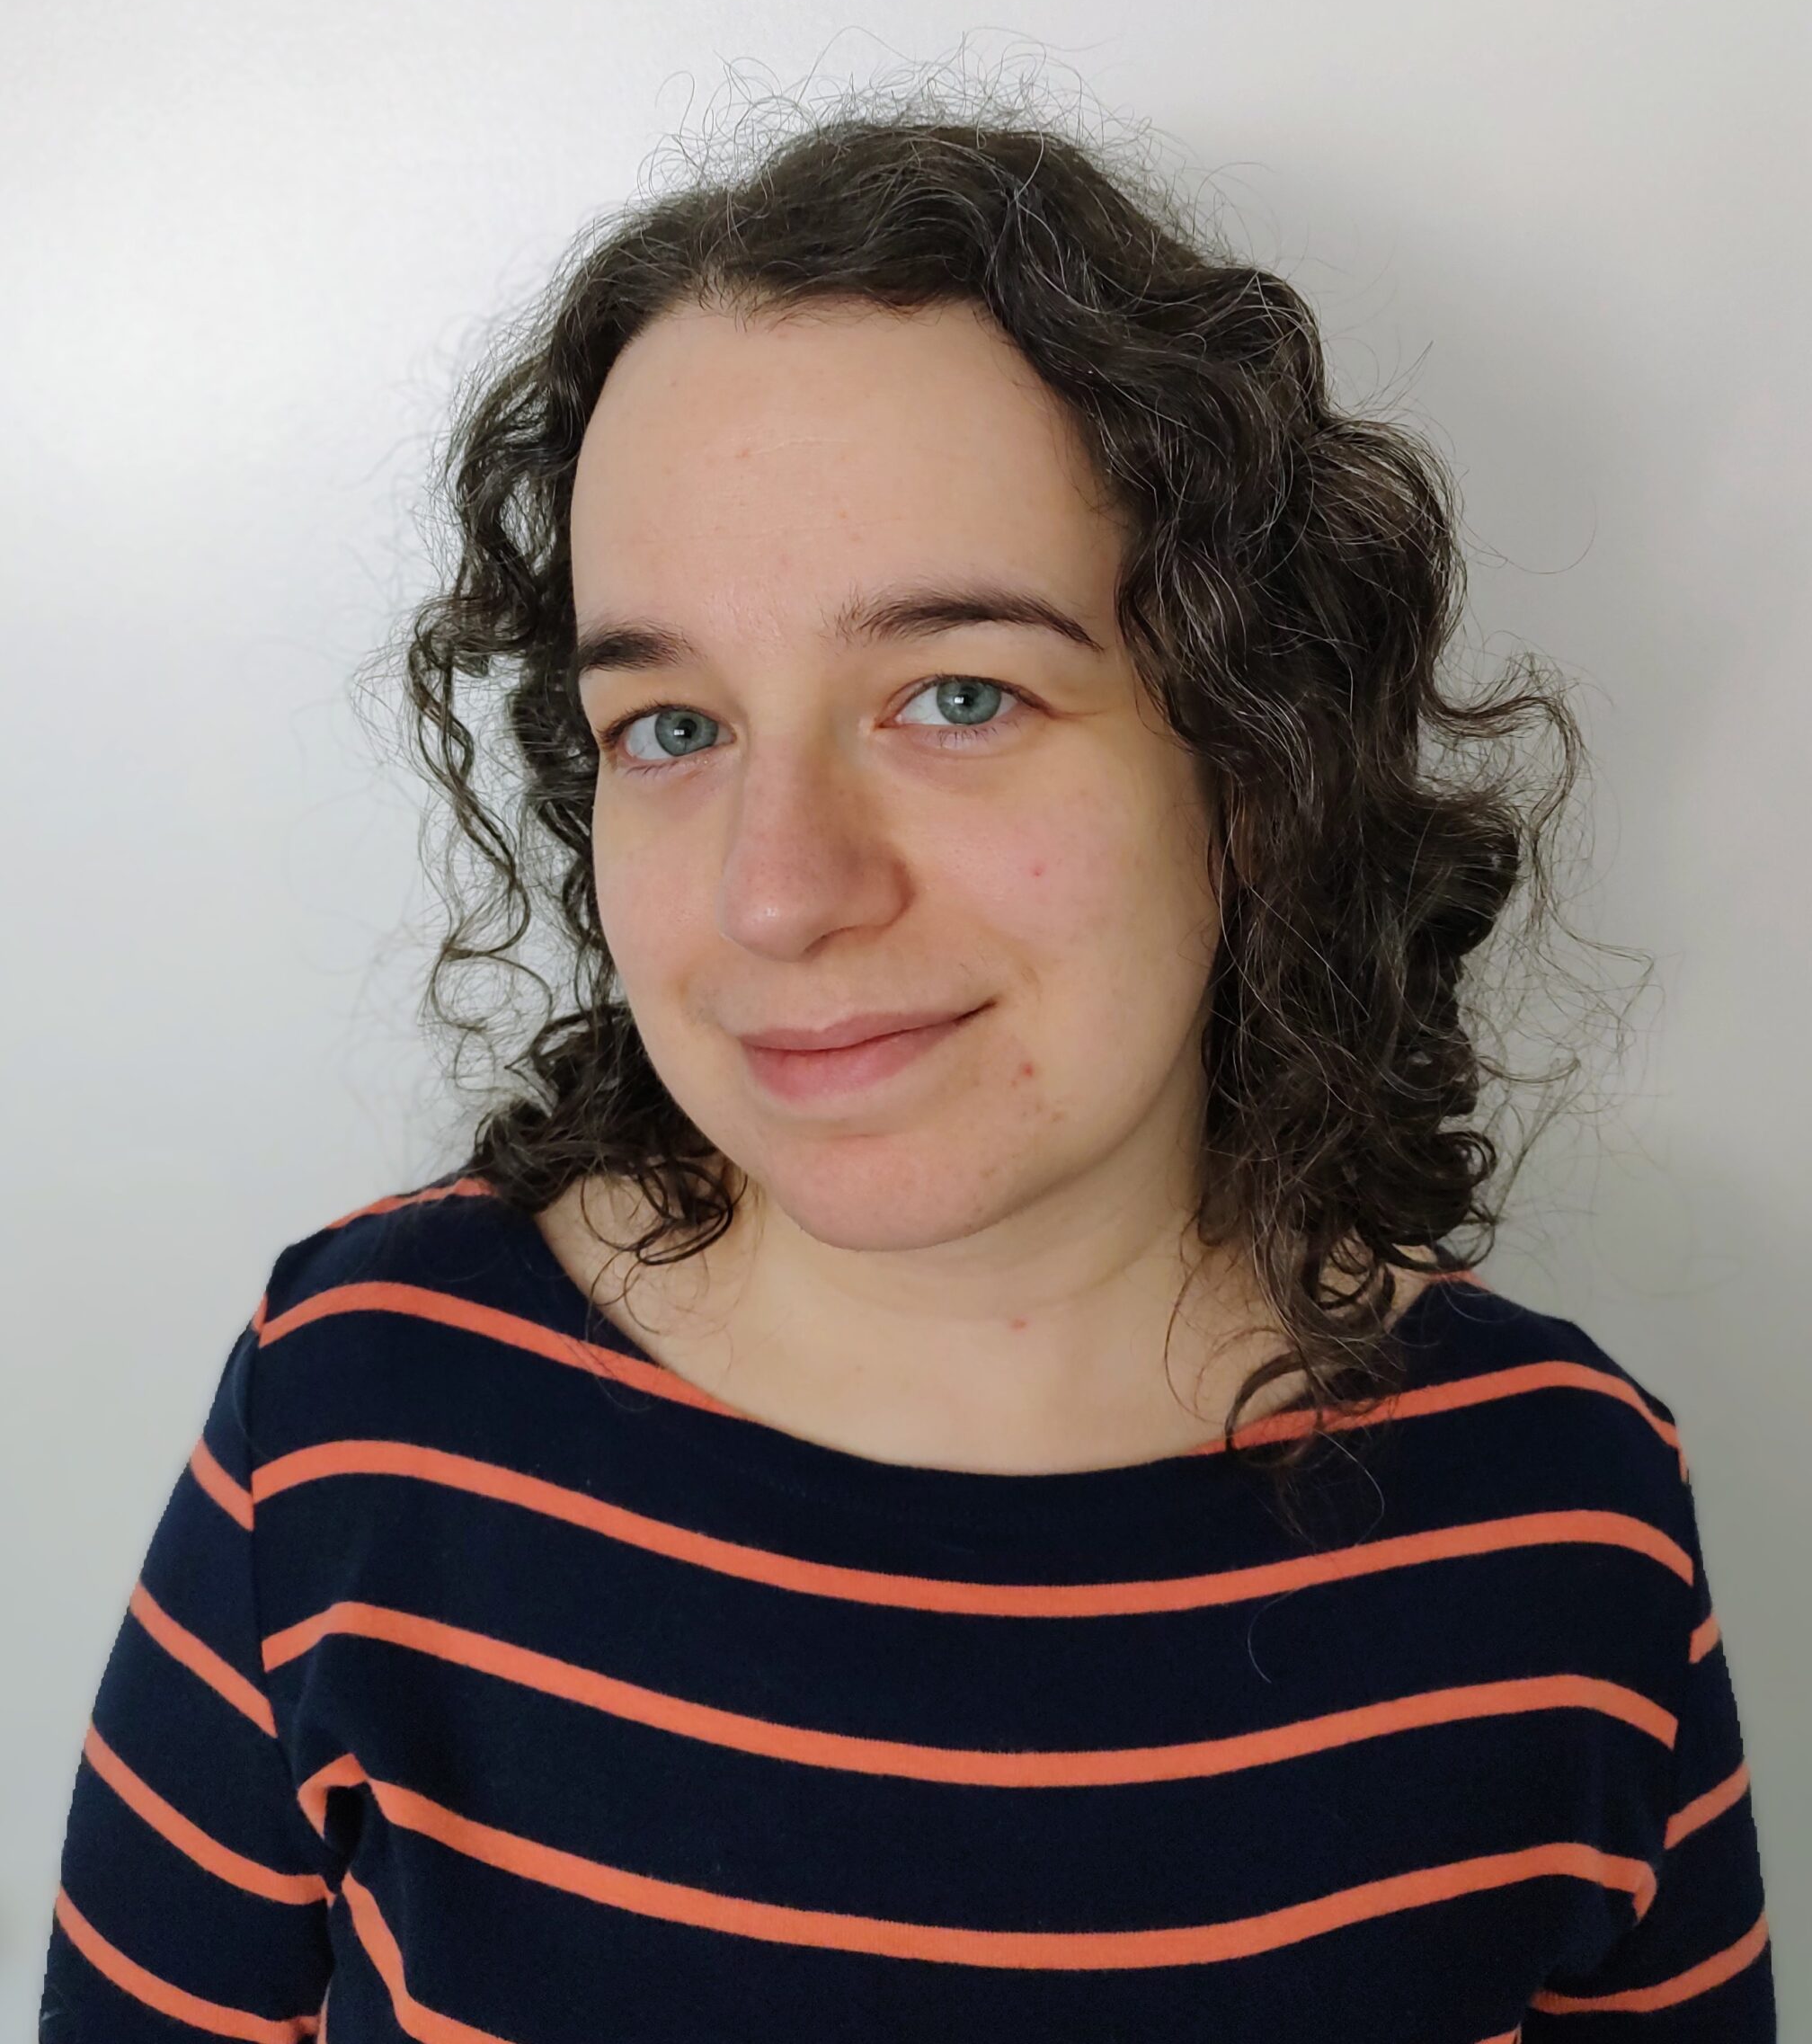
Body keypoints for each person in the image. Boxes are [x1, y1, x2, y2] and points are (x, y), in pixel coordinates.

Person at [39, 102, 1773, 2039]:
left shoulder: (1562, 1520)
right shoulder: (352, 1415)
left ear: (1261, 762)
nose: (779, 894)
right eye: (672, 722)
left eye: (960, 694)